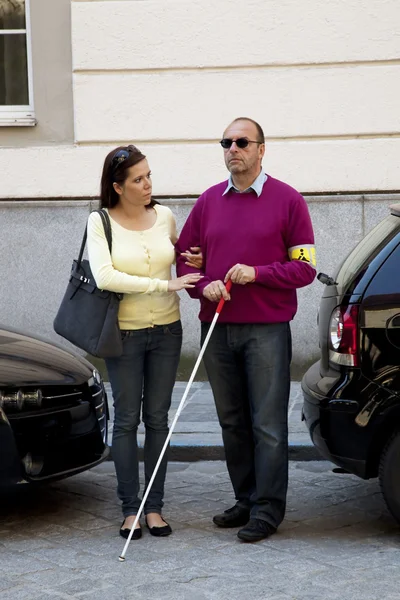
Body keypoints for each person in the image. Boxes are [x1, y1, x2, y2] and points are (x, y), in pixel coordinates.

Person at [176, 118, 316, 542]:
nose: (233, 148)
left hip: (267, 329)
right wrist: (204, 284)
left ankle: (268, 510)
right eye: (226, 142)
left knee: (268, 424)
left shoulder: (288, 200)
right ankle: (245, 498)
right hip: (216, 327)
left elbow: (305, 268)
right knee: (231, 421)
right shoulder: (208, 202)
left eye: (242, 142)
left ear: (261, 150)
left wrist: (256, 274)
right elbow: (184, 259)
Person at [87, 145, 203, 540]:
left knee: (157, 420)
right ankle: (129, 508)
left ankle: (154, 508)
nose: (148, 184)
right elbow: (105, 276)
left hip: (168, 331)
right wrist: (163, 283)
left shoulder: (165, 216)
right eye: (138, 179)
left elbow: (185, 258)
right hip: (124, 334)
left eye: (149, 175)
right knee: (125, 421)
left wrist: (195, 263)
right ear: (118, 187)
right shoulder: (100, 222)